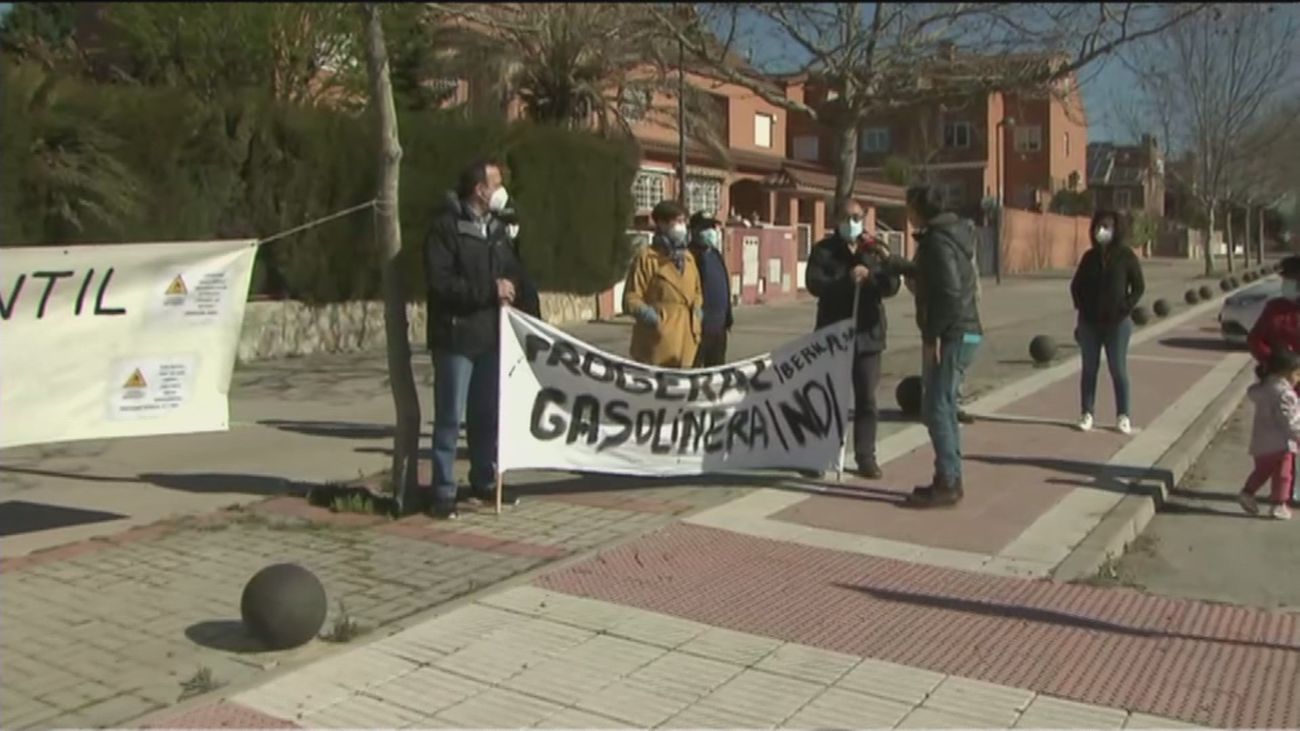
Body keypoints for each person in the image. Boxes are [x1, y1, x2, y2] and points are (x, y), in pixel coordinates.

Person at [423, 158, 531, 519]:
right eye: (496, 182)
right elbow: (441, 285)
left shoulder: (498, 230)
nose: (502, 189)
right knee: (450, 416)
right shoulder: (446, 229)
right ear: (479, 190)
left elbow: (513, 273)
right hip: (456, 337)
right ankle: (443, 489)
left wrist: (516, 292)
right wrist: (489, 289)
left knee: (486, 415)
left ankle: (484, 480)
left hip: (490, 336)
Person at [806, 200, 901, 479]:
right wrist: (846, 280)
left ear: (865, 218)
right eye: (847, 217)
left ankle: (865, 456)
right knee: (829, 398)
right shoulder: (823, 250)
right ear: (836, 219)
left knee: (867, 400)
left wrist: (870, 276)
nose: (852, 222)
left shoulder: (874, 249)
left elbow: (892, 284)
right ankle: (821, 454)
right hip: (833, 336)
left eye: (857, 217)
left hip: (867, 336)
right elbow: (815, 284)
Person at [902, 185, 983, 508]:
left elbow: (948, 294)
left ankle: (949, 481)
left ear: (920, 209)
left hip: (954, 333)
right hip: (965, 330)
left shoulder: (937, 242)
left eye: (909, 207)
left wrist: (931, 338)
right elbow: (935, 276)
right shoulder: (950, 236)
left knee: (937, 407)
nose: (907, 214)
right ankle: (947, 475)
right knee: (944, 406)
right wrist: (895, 263)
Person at [1069, 209, 1145, 435]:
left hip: (1117, 324)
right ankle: (1087, 413)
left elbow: (1138, 286)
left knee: (1118, 369)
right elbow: (1076, 286)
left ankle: (1123, 415)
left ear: (1116, 229)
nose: (1102, 230)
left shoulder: (1126, 256)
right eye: (1099, 226)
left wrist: (1124, 307)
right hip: (1090, 324)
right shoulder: (1089, 258)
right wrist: (1082, 307)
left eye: (1107, 226)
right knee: (1089, 369)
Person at [624, 200, 704, 368]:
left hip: (688, 339)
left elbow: (697, 291)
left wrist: (697, 311)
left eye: (684, 222)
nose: (682, 227)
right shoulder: (646, 258)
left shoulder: (688, 258)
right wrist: (655, 320)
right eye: (678, 221)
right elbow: (631, 298)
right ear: (661, 224)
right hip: (657, 343)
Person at [1239, 348, 1300, 520]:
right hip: (1281, 442)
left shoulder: (1263, 389)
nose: (1298, 379)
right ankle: (1279, 504)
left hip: (1262, 441)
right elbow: (1290, 420)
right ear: (1286, 373)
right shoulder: (1285, 394)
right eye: (1297, 374)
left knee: (1262, 471)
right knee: (1283, 475)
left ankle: (1247, 492)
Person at [688, 212, 734, 367]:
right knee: (697, 371)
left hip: (719, 328)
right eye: (706, 228)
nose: (712, 232)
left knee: (716, 371)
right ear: (694, 231)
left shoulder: (715, 255)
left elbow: (724, 286)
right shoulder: (690, 257)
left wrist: (728, 318)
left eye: (713, 227)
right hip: (699, 329)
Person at [1247, 255, 1300, 371]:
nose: (1285, 283)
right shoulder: (1274, 307)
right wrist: (1275, 361)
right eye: (1285, 280)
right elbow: (1255, 339)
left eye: (1290, 280)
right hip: (1279, 377)